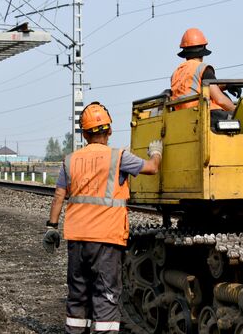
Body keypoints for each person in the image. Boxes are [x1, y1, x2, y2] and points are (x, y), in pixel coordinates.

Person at [42, 102, 163, 334]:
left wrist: (52, 227)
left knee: (78, 293)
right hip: (107, 239)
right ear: (109, 131)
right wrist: (156, 153)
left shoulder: (70, 160)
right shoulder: (119, 157)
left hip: (77, 238)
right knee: (106, 294)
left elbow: (59, 196)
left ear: (85, 133)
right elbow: (151, 168)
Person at [171, 28, 237, 126]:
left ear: (185, 53)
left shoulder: (176, 73)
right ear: (203, 51)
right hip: (206, 115)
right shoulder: (203, 68)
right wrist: (238, 112)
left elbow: (196, 89)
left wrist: (226, 85)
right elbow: (220, 100)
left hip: (183, 118)